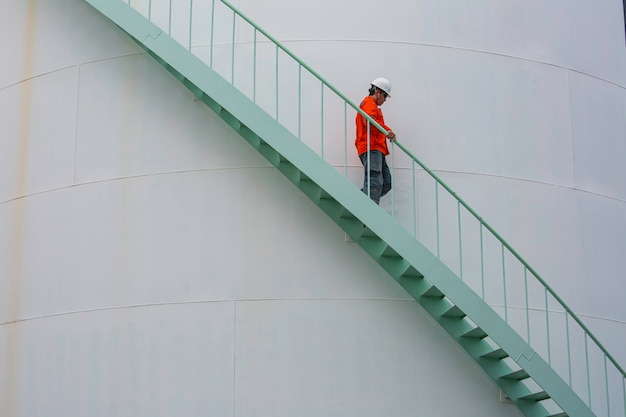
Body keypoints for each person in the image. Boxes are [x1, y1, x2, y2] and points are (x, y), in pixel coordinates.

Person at [355, 77, 396, 204]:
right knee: (374, 181)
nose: (384, 100)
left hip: (377, 149)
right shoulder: (369, 103)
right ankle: (369, 210)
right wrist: (387, 131)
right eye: (384, 96)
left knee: (386, 182)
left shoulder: (373, 106)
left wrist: (388, 130)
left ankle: (355, 199)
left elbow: (375, 123)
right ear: (378, 92)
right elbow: (371, 122)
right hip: (371, 147)